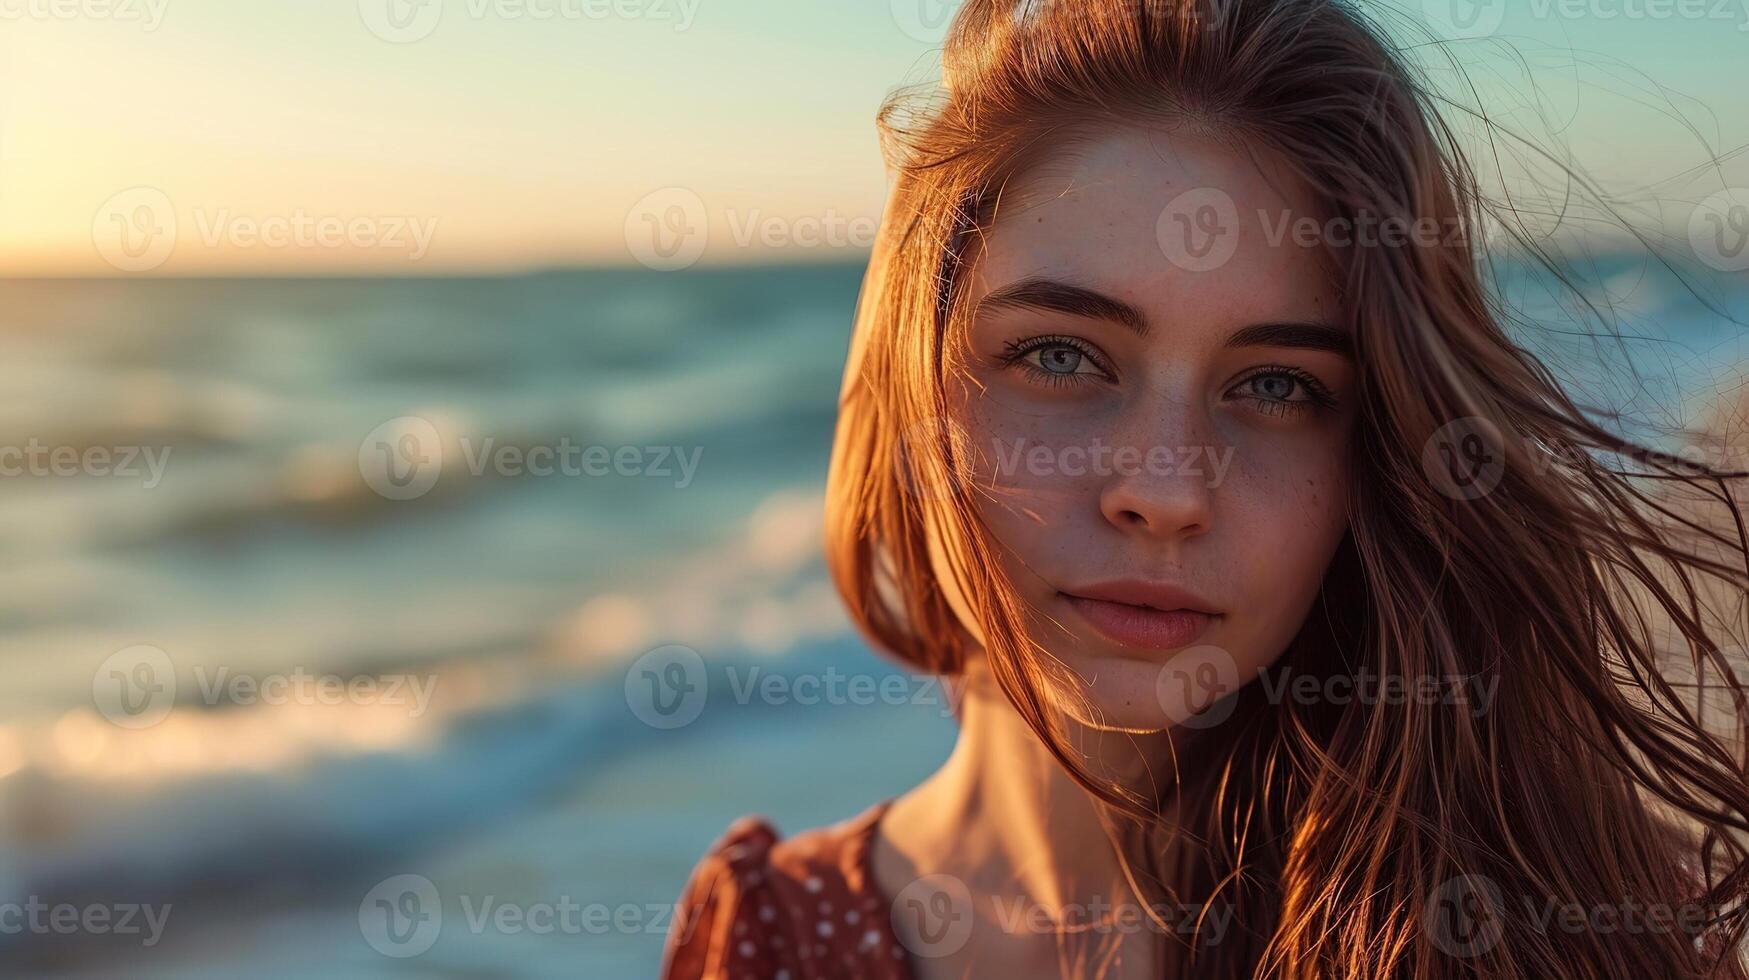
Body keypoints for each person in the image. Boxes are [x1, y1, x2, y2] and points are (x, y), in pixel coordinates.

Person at [662, 0, 1749, 976]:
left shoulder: (1553, 925)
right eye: (1059, 356)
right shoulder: (772, 939)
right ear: (909, 386)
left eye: (1276, 385)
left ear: (1372, 446)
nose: (1167, 490)